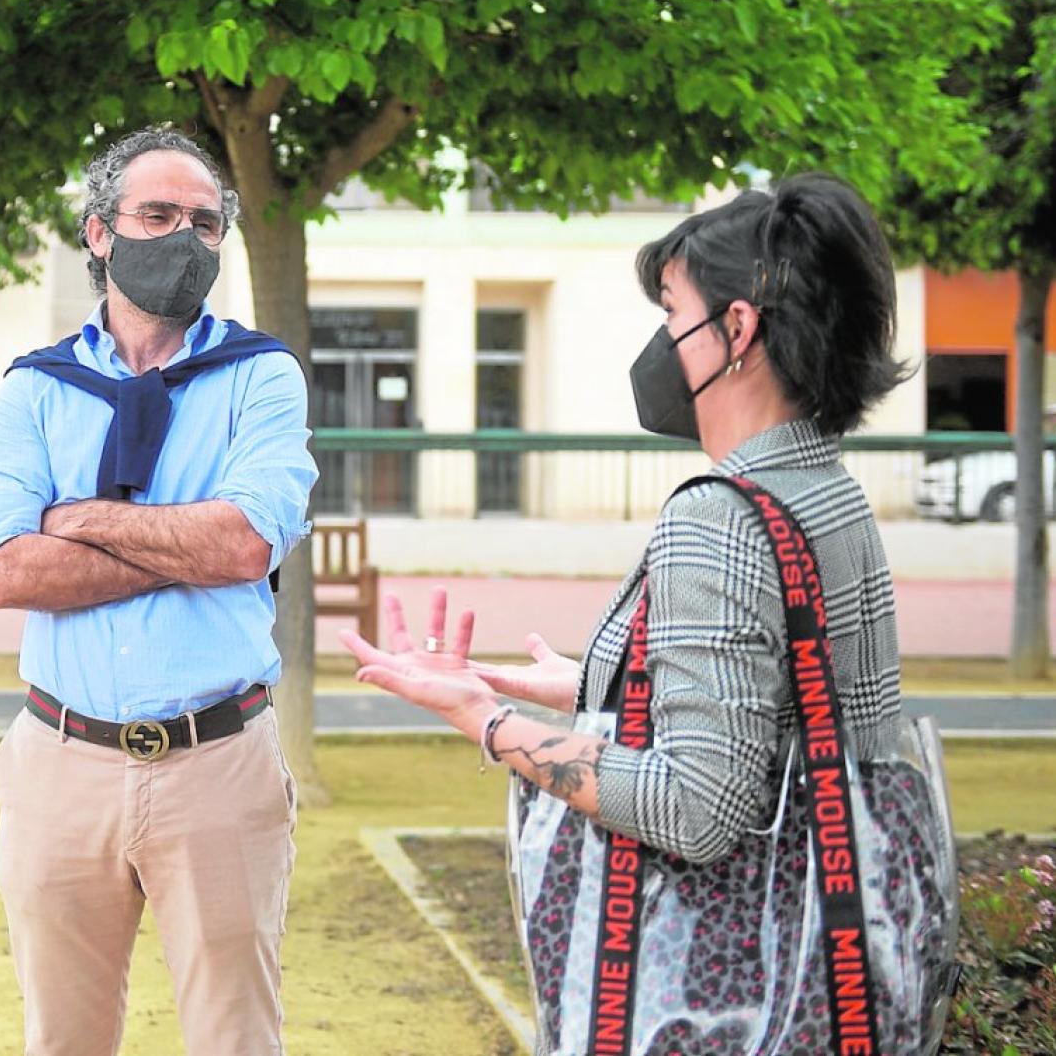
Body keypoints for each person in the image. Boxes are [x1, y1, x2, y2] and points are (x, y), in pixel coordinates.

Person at [346, 175, 926, 1049]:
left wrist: (486, 721)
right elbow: (785, 713)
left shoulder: (717, 516)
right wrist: (596, 686)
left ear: (737, 329)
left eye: (671, 311)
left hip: (719, 1001)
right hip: (835, 974)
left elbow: (699, 806)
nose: (661, 342)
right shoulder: (825, 491)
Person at [0, 127, 318, 1054]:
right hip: (59, 762)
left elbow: (242, 544)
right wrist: (184, 539)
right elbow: (5, 573)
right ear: (100, 233)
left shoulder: (261, 376)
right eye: (158, 215)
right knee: (62, 1038)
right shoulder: (34, 390)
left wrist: (80, 517)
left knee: (236, 1035)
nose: (183, 240)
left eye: (204, 223)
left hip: (219, 762)